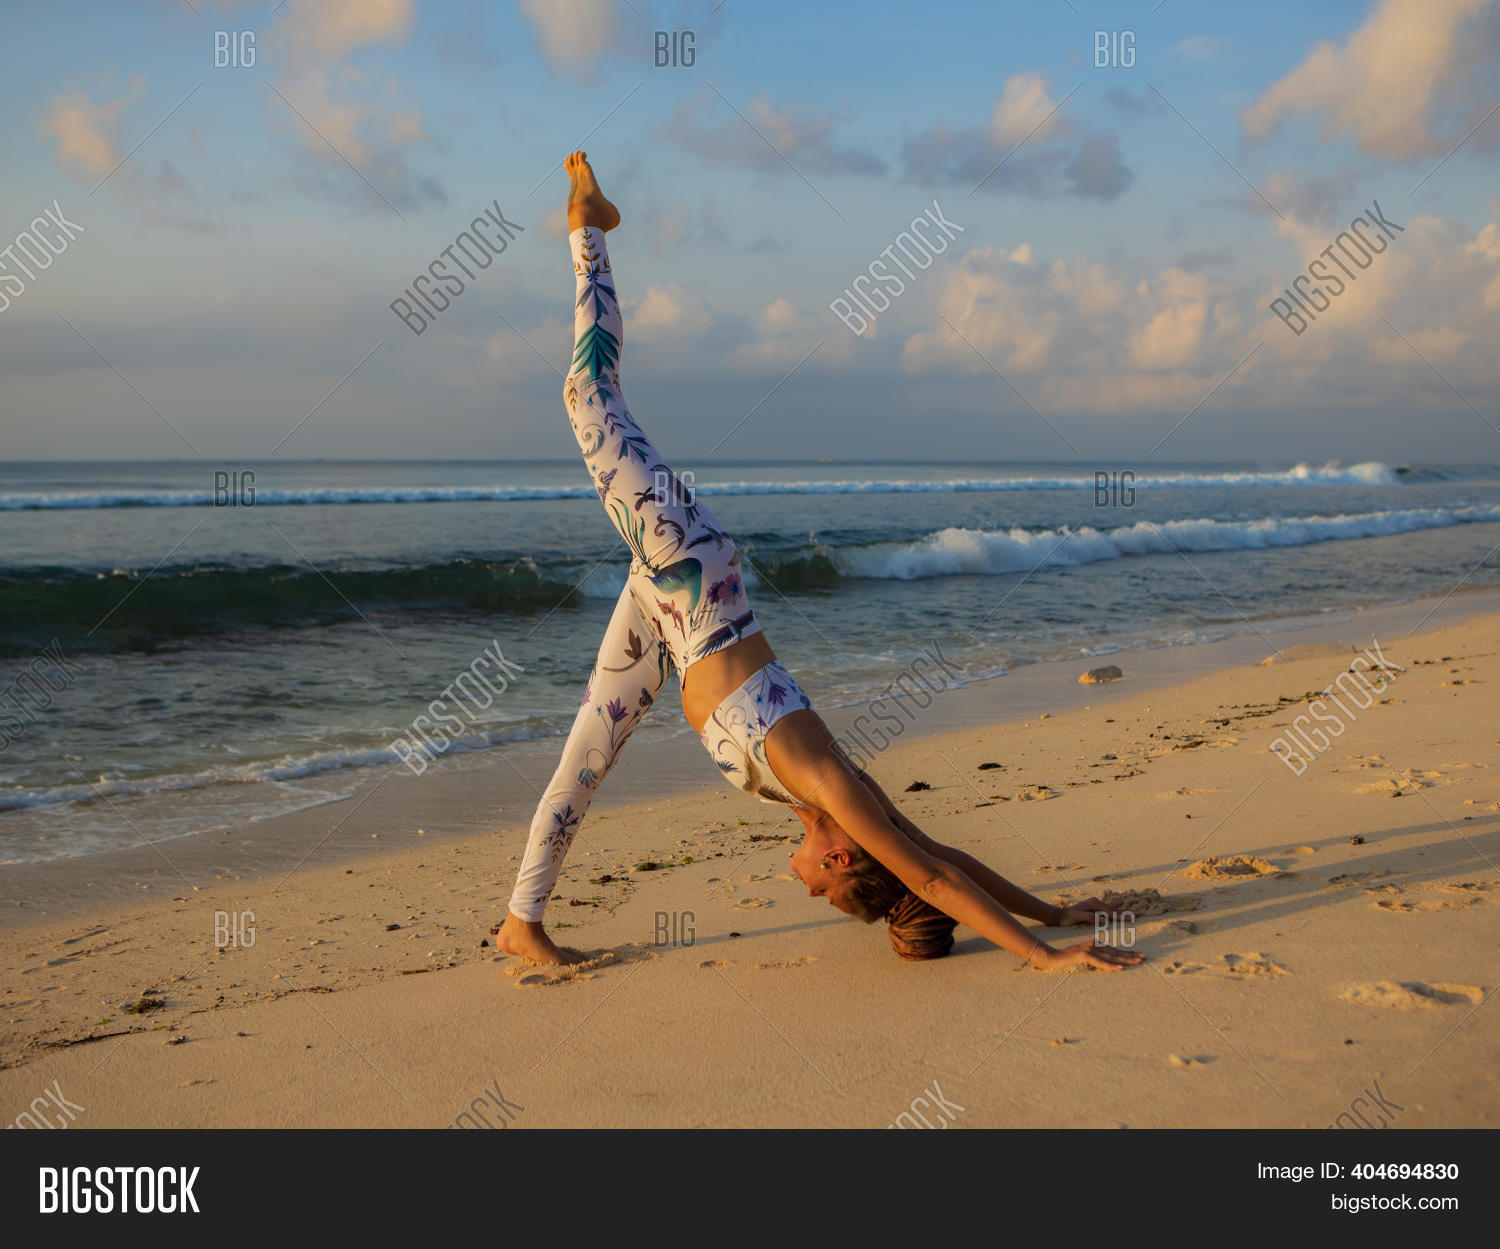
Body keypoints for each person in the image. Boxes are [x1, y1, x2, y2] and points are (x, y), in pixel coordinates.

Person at [496, 152, 1145, 974]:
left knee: (585, 757)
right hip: (687, 562)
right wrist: (1042, 955)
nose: (807, 891)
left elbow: (939, 857)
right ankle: (587, 226)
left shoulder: (833, 799)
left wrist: (1048, 911)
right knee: (589, 396)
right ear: (844, 862)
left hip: (670, 618)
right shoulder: (827, 781)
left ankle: (523, 921)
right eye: (828, 896)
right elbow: (936, 876)